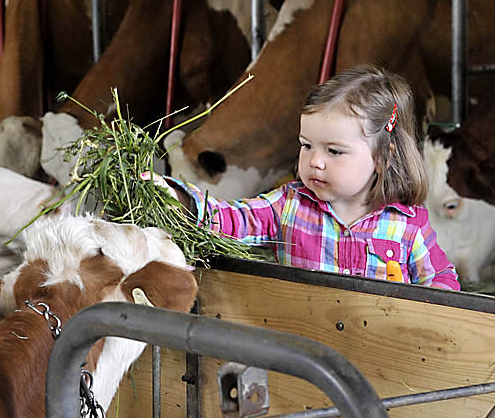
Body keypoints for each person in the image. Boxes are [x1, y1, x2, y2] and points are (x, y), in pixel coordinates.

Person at [150, 65, 459, 289]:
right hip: (301, 348)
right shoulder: (289, 207)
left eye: (334, 151)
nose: (315, 162)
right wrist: (178, 198)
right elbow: (234, 218)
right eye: (306, 145)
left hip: (377, 352)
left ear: (382, 158)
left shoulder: (407, 226)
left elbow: (441, 281)